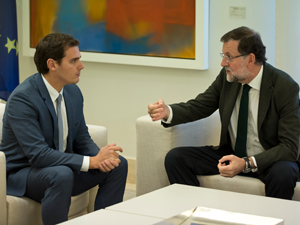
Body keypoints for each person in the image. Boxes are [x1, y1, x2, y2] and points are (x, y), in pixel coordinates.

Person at [148, 26, 300, 200]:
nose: (223, 63)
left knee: (285, 173)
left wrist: (246, 163)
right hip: (231, 153)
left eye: (229, 57)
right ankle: (193, 211)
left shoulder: (285, 86)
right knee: (176, 158)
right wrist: (168, 112)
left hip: (269, 159)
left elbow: (289, 147)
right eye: (223, 56)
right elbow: (200, 105)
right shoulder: (228, 78)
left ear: (250, 59)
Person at [0, 33, 128, 225]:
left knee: (118, 165)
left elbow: (82, 138)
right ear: (52, 65)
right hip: (24, 173)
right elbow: (38, 155)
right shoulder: (23, 99)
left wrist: (101, 158)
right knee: (61, 174)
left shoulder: (72, 91)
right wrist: (90, 162)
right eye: (73, 61)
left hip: (60, 168)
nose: (81, 66)